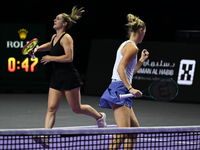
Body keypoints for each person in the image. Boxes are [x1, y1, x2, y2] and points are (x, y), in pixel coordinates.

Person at [32, 6, 107, 148]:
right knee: (51, 108)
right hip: (56, 77)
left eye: (58, 18)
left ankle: (100, 117)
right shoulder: (55, 36)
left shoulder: (67, 37)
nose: (54, 20)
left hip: (69, 77)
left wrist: (51, 58)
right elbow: (51, 45)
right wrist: (37, 48)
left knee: (76, 108)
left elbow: (69, 57)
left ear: (64, 23)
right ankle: (46, 137)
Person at [99, 14, 149, 149]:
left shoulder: (126, 45)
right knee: (124, 132)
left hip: (120, 87)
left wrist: (140, 61)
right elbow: (121, 69)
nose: (144, 34)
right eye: (144, 32)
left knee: (134, 130)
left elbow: (127, 72)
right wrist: (131, 88)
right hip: (120, 89)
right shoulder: (132, 47)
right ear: (140, 31)